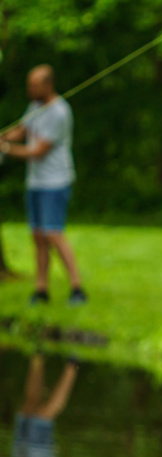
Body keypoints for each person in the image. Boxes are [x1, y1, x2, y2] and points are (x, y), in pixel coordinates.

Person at [0, 65, 85, 305]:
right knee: (38, 235)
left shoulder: (59, 112)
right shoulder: (36, 106)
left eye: (35, 85)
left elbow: (38, 151)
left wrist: (4, 148)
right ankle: (41, 289)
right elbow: (22, 130)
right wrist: (5, 137)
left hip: (55, 181)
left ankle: (77, 288)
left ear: (48, 85)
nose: (30, 89)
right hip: (36, 181)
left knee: (53, 234)